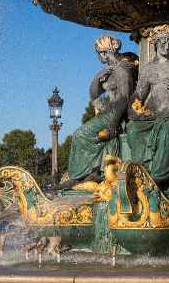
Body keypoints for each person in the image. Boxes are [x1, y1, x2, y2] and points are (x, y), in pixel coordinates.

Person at [57, 35, 137, 190]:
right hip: (108, 112)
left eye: (99, 53)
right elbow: (94, 94)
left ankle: (77, 176)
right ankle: (90, 172)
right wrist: (98, 77)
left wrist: (114, 121)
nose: (98, 56)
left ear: (106, 51)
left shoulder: (122, 70)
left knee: (80, 135)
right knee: (83, 135)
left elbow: (125, 98)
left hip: (117, 113)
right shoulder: (109, 71)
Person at [127, 25, 169, 192]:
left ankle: (158, 176)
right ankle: (143, 170)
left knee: (166, 133)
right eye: (163, 43)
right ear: (156, 43)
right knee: (133, 130)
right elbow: (140, 94)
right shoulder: (149, 68)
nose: (166, 47)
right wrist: (131, 108)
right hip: (152, 115)